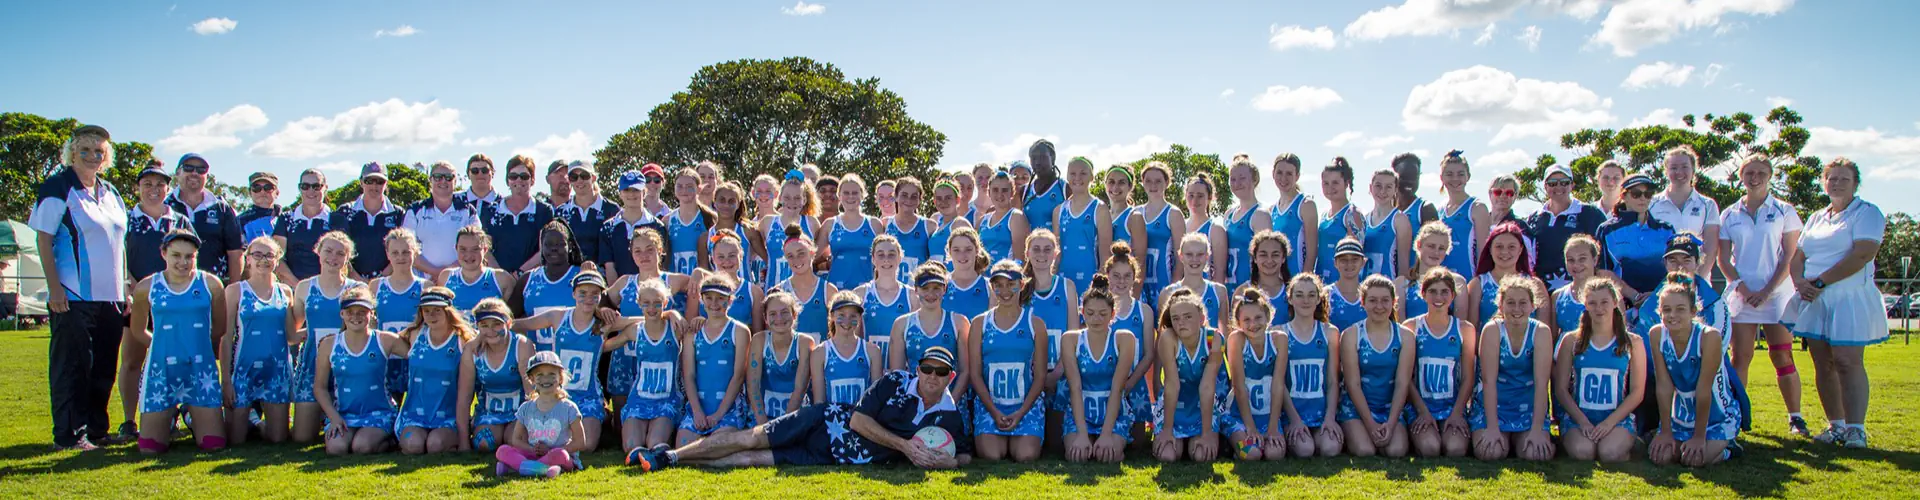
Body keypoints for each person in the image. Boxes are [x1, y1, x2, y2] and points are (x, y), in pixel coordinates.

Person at [629, 346, 970, 470]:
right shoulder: (896, 381)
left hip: (834, 458)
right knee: (749, 440)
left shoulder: (949, 414)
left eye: (940, 372)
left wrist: (949, 460)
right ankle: (670, 456)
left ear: (949, 376)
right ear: (918, 369)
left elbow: (966, 455)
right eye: (926, 368)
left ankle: (678, 460)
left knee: (750, 461)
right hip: (823, 422)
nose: (931, 377)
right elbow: (859, 421)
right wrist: (905, 447)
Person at [33, 125, 131, 451]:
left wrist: (126, 287)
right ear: (71, 152)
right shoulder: (58, 187)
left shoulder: (111, 192)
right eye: (85, 149)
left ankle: (97, 430)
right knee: (73, 367)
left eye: (99, 151)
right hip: (74, 297)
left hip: (111, 297)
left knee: (104, 367)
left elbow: (119, 243)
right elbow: (44, 239)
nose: (92, 156)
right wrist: (54, 289)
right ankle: (69, 435)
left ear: (107, 157)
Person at [1786, 158, 1887, 448]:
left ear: (1856, 183)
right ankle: (1836, 426)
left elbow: (1862, 254)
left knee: (1847, 361)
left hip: (1848, 297)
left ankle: (1856, 429)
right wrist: (1800, 282)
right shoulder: (1818, 217)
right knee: (1823, 363)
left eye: (1844, 178)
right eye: (1832, 178)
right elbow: (1799, 257)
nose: (1837, 183)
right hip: (1815, 299)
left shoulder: (1867, 213)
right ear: (1824, 182)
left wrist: (1821, 282)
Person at [1717, 156, 1808, 436]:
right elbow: (1724, 259)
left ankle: (1795, 417)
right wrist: (1743, 288)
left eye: (1761, 173)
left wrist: (1767, 291)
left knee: (1782, 356)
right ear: (1741, 176)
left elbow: (1790, 256)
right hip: (1743, 296)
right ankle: (1738, 417)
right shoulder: (1729, 214)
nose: (1754, 178)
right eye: (1749, 173)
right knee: (1740, 358)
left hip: (1777, 296)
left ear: (1769, 175)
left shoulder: (1785, 211)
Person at [128, 230, 230, 454]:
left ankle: (190, 412)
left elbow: (219, 328)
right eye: (176, 255)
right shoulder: (147, 287)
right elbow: (138, 330)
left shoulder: (210, 284)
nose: (183, 262)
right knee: (150, 449)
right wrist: (161, 346)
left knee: (213, 444)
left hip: (200, 370)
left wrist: (197, 346)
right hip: (162, 370)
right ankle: (170, 415)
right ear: (164, 253)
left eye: (189, 256)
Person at [117, 162, 193, 441]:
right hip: (137, 298)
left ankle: (169, 416)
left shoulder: (180, 220)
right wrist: (135, 287)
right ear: (138, 188)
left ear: (168, 188)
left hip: (173, 302)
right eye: (147, 184)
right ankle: (128, 420)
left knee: (175, 360)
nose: (153, 190)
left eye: (159, 185)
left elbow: (190, 260)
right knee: (132, 360)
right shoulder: (126, 219)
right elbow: (118, 257)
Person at [509, 270, 623, 451]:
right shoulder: (558, 317)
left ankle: (601, 419)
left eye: (595, 294)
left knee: (587, 446)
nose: (588, 298)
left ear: (601, 296)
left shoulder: (604, 322)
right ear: (573, 294)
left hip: (588, 396)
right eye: (582, 293)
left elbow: (640, 322)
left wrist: (669, 315)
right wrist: (493, 326)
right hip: (557, 394)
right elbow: (521, 324)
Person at [1649, 273, 1745, 467]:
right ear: (1659, 312)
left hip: (1715, 414)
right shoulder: (1657, 334)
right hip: (1682, 415)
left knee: (1694, 460)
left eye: (1680, 309)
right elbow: (1664, 386)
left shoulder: (1709, 337)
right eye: (1666, 310)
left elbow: (1704, 389)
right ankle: (1681, 437)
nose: (1672, 315)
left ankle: (1727, 448)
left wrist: (1699, 436)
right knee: (1662, 457)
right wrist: (1665, 431)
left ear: (1693, 311)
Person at [1551, 279, 1645, 463]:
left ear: (1615, 303)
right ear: (1585, 305)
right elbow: (1561, 389)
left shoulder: (1632, 342)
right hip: (1579, 419)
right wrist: (1582, 421)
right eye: (1592, 303)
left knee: (1609, 453)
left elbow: (1637, 392)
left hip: (1615, 419)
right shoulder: (1571, 340)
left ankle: (1630, 442)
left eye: (1604, 302)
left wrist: (1609, 423)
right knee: (1583, 452)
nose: (1598, 308)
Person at [969, 261, 1050, 462]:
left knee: (1026, 455)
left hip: (1025, 406)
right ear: (992, 286)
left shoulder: (1035, 324)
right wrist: (994, 412)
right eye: (998, 285)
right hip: (991, 405)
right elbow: (975, 374)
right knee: (992, 455)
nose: (1005, 291)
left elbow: (1040, 376)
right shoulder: (980, 323)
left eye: (1011, 284)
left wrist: (1021, 412)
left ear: (1022, 285)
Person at [221, 237, 298, 445]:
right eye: (257, 255)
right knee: (235, 440)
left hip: (277, 370)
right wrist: (226, 381)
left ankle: (256, 422)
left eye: (269, 255)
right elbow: (226, 337)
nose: (264, 260)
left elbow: (291, 336)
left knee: (278, 439)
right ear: (248, 259)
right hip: (244, 369)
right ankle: (249, 419)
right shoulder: (236, 290)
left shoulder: (285, 292)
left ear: (277, 260)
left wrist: (325, 330)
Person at [314, 287, 408, 455]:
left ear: (371, 314)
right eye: (350, 312)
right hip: (344, 413)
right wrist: (334, 417)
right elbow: (319, 387)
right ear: (342, 314)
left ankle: (391, 439)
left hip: (379, 412)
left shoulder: (385, 340)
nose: (355, 317)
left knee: (362, 447)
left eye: (361, 312)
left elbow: (419, 356)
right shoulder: (329, 344)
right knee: (336, 449)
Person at [293, 232, 366, 442]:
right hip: (312, 364)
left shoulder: (356, 289)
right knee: (302, 438)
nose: (333, 257)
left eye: (340, 253)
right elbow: (293, 331)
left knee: (344, 432)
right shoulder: (305, 287)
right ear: (318, 251)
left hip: (347, 366)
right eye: (328, 251)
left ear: (347, 258)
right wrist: (310, 335)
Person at [1472, 276, 1555, 461]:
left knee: (1535, 455)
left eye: (1523, 303)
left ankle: (1527, 436)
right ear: (1500, 305)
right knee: (1490, 453)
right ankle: (1502, 435)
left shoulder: (1541, 331)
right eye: (1510, 303)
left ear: (1533, 306)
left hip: (1528, 405)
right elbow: (1488, 382)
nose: (1516, 309)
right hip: (1495, 405)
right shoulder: (1492, 330)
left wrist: (1536, 430)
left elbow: (1542, 385)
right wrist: (1492, 428)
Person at [1154, 289, 1238, 462]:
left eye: (1188, 317)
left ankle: (1209, 436)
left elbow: (1207, 386)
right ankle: (1177, 439)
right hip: (1174, 403)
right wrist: (1167, 430)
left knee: (1201, 456)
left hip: (1204, 403)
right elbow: (1172, 385)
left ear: (1201, 318)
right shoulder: (1168, 338)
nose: (1181, 323)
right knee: (1167, 456)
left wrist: (1207, 433)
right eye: (1176, 318)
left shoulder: (1213, 338)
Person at [1061, 275, 1138, 463]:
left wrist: (1105, 435)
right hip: (1081, 412)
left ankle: (1108, 439)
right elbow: (1075, 388)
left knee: (1107, 456)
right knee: (1078, 456)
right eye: (1090, 313)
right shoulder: (1070, 339)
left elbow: (1117, 388)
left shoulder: (1124, 338)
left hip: (1113, 412)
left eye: (1103, 314)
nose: (1096, 319)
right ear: (1082, 312)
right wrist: (1081, 433)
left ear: (1113, 314)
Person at [1404, 268, 1477, 458]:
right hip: (1420, 406)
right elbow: (1406, 378)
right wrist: (1422, 411)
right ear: (1423, 294)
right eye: (1433, 291)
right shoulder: (1411, 328)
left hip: (1451, 406)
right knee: (1430, 449)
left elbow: (1469, 378)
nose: (1439, 297)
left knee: (1455, 449)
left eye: (1444, 292)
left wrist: (1457, 413)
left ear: (1453, 296)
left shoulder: (1464, 329)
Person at [1337, 276, 1414, 458]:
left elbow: (1403, 383)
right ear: (1362, 302)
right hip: (1356, 408)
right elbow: (1353, 384)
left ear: (1394, 302)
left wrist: (1391, 422)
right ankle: (1356, 431)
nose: (1379, 306)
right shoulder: (1351, 335)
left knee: (1396, 451)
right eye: (1372, 300)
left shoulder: (1405, 336)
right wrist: (1370, 424)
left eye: (1385, 300)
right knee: (1365, 451)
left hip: (1390, 408)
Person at [612, 279, 687, 454]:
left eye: (657, 303)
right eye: (646, 303)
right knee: (632, 446)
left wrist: (673, 314)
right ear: (639, 303)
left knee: (655, 444)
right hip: (640, 398)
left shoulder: (674, 329)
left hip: (667, 399)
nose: (651, 308)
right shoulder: (635, 330)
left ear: (665, 303)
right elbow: (606, 345)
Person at [679, 274, 754, 446]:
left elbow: (738, 376)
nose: (714, 304)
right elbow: (688, 375)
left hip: (728, 408)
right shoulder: (693, 332)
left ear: (730, 300)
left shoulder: (740, 331)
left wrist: (719, 414)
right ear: (701, 299)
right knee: (683, 444)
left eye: (721, 299)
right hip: (699, 406)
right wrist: (697, 411)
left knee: (718, 445)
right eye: (709, 298)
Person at [394, 287, 471, 454]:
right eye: (426, 310)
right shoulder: (414, 334)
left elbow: (466, 393)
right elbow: (379, 340)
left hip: (448, 417)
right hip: (414, 415)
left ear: (448, 311)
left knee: (435, 445)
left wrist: (464, 442)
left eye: (437, 310)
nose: (431, 315)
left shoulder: (462, 340)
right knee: (413, 445)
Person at [455, 299, 535, 453]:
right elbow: (464, 397)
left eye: (497, 324)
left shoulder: (522, 346)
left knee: (516, 442)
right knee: (484, 443)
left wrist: (532, 427)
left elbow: (531, 394)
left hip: (519, 412)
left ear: (509, 324)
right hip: (489, 413)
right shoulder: (472, 351)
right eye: (484, 325)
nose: (490, 330)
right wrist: (463, 442)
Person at [1279, 273, 1343, 457]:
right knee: (1305, 450)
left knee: (1330, 449)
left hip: (1320, 412)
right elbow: (1279, 383)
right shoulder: (1280, 333)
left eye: (1311, 295)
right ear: (1290, 299)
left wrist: (1330, 418)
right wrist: (1294, 420)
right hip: (1293, 412)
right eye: (1299, 295)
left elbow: (1332, 381)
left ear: (1318, 299)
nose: (1305, 300)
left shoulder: (1329, 332)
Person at [495, 351, 587, 478]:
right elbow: (515, 440)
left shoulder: (569, 408)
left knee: (561, 455)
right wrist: (532, 450)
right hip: (532, 453)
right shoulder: (526, 408)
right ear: (532, 379)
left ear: (560, 378)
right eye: (540, 375)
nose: (546, 379)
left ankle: (520, 467)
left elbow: (580, 442)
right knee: (502, 450)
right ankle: (541, 469)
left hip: (557, 454)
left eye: (551, 374)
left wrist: (549, 451)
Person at [1103, 243, 1159, 445]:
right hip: (1103, 384)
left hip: (1133, 385)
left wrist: (1128, 384)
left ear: (1134, 278)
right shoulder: (1099, 309)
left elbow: (1149, 354)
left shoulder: (1144, 311)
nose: (1121, 281)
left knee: (1138, 445)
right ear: (1107, 275)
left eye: (1127, 276)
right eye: (1116, 275)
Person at [1597, 174, 1679, 308]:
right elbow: (1603, 271)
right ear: (1623, 196)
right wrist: (1634, 296)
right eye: (1636, 194)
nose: (1643, 198)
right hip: (1623, 305)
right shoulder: (1607, 230)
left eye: (1648, 194)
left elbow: (1676, 268)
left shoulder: (1666, 229)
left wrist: (1656, 294)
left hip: (1663, 304)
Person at [1225, 289, 1285, 461]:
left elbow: (1278, 384)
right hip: (1239, 415)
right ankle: (1231, 442)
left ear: (1268, 317)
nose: (1253, 324)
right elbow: (1239, 386)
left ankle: (1266, 433)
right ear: (1238, 323)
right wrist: (1250, 428)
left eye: (1258, 318)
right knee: (1250, 454)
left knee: (1275, 454)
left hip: (1267, 414)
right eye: (1246, 320)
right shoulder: (1237, 339)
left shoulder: (1278, 339)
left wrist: (1273, 426)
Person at [891, 264, 974, 388]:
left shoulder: (959, 322)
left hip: (951, 401)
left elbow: (965, 371)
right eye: (925, 288)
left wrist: (950, 403)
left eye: (936, 288)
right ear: (916, 289)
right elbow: (898, 374)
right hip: (914, 402)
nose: (931, 293)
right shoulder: (902, 324)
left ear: (944, 289)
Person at [1527, 164, 1609, 289]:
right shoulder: (1535, 217)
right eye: (1553, 183)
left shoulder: (1590, 213)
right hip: (1540, 291)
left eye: (1564, 182)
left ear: (1572, 185)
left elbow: (1603, 255)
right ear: (1545, 186)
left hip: (1582, 291)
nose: (1559, 187)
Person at [165, 153, 244, 281]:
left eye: (201, 170)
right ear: (177, 173)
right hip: (172, 288)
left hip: (215, 289)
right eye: (188, 168)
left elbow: (235, 253)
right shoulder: (165, 206)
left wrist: (233, 290)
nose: (195, 173)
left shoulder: (222, 208)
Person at [1648, 147, 1722, 278]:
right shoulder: (1651, 204)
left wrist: (1696, 281)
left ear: (1693, 170)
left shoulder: (1708, 204)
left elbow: (1710, 249)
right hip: (1661, 283)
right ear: (1666, 171)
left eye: (1684, 167)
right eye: (1674, 168)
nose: (1679, 172)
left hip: (1697, 282)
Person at [511, 221, 585, 351]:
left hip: (573, 359)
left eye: (560, 244)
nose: (554, 248)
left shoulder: (582, 276)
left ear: (570, 246)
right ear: (541, 247)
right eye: (548, 244)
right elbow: (509, 318)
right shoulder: (528, 280)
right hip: (537, 362)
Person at [330, 163, 405, 280]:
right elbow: (338, 248)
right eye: (369, 181)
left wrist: (380, 280)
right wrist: (357, 280)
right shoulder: (345, 212)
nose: (374, 186)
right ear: (361, 182)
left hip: (388, 282)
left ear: (386, 184)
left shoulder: (398, 214)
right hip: (350, 282)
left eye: (380, 181)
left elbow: (403, 249)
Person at [403, 162, 480, 277]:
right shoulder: (415, 210)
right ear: (430, 180)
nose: (443, 181)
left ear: (455, 181)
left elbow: (477, 247)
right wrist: (434, 272)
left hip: (460, 278)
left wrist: (446, 274)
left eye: (448, 178)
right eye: (438, 177)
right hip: (423, 281)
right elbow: (406, 248)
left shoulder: (468, 211)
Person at [480, 156, 555, 272]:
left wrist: (519, 275)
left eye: (524, 177)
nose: (518, 180)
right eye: (513, 176)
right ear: (507, 180)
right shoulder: (490, 210)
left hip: (532, 278)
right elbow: (486, 250)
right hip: (497, 279)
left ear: (533, 180)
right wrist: (502, 276)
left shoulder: (544, 211)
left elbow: (544, 250)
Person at [1464, 222, 1546, 328]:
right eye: (1499, 246)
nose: (1504, 252)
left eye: (1511, 247)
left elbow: (1545, 330)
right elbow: (1472, 329)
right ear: (1490, 249)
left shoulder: (1536, 285)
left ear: (1520, 250)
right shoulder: (1477, 285)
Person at [750, 290, 814, 424]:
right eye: (772, 314)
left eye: (785, 312)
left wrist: (782, 426)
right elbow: (753, 385)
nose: (779, 318)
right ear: (766, 319)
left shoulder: (805, 342)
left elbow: (800, 388)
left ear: (794, 314)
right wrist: (763, 423)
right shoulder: (759, 340)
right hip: (763, 417)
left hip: (794, 418)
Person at [1545, 235, 1630, 336]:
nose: (1576, 265)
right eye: (1571, 260)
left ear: (1594, 260)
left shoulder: (1611, 294)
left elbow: (1621, 334)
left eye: (1582, 259)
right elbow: (1553, 337)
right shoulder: (1557, 297)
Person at [1054, 158, 1112, 292]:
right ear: (1067, 176)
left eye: (1083, 173)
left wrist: (1100, 286)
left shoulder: (1099, 208)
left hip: (1089, 280)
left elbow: (1105, 255)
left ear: (1092, 177)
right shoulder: (1059, 210)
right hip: (1063, 279)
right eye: (1073, 174)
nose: (1077, 178)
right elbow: (1056, 253)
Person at [813, 291, 881, 406]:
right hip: (831, 422)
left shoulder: (872, 351)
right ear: (832, 316)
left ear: (860, 318)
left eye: (853, 316)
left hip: (861, 421)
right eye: (841, 315)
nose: (847, 321)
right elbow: (819, 402)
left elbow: (876, 399)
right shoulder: (819, 352)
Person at [599, 170, 666, 281]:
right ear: (620, 193)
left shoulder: (657, 226)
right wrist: (616, 296)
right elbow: (610, 268)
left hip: (651, 290)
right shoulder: (608, 228)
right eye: (627, 190)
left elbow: (660, 265)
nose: (631, 194)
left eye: (636, 190)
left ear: (644, 192)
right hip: (621, 292)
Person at [1433, 151, 1490, 283]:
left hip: (1469, 279)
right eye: (1449, 174)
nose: (1455, 179)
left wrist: (1478, 283)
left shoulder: (1477, 207)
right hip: (1444, 282)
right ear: (1441, 177)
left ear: (1468, 176)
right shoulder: (1440, 210)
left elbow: (1483, 251)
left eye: (1460, 174)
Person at [439, 225, 518, 318]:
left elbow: (512, 319)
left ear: (485, 250)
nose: (468, 255)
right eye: (463, 249)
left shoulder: (501, 279)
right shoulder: (446, 277)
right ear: (456, 248)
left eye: (475, 249)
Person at [854, 237, 910, 367]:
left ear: (900, 258)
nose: (886, 259)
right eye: (881, 255)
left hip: (900, 369)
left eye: (891, 254)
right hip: (868, 367)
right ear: (873, 259)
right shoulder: (860, 293)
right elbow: (854, 339)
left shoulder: (911, 295)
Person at [273, 169, 335, 283]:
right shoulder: (286, 219)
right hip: (292, 289)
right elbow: (277, 258)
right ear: (299, 188)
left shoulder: (337, 219)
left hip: (328, 288)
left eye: (316, 186)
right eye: (305, 186)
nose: (311, 191)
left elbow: (342, 259)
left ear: (325, 187)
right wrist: (299, 288)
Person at [773, 225, 834, 338]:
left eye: (801, 253)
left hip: (820, 354)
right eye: (790, 256)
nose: (796, 260)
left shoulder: (828, 290)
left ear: (812, 253)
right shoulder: (779, 292)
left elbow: (836, 333)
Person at [759, 171, 820, 285]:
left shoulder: (812, 223)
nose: (792, 202)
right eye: (787, 197)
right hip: (774, 290)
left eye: (797, 198)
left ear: (804, 200)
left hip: (804, 291)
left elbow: (818, 255)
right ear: (780, 198)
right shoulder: (768, 222)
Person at [821, 174, 880, 291]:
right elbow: (812, 255)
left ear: (862, 195)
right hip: (837, 290)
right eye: (846, 193)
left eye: (855, 193)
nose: (850, 197)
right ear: (839, 196)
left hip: (867, 290)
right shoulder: (830, 224)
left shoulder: (874, 224)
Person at [558, 162, 619, 273]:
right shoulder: (561, 212)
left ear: (594, 177)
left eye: (584, 176)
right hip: (569, 275)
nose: (579, 181)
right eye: (574, 177)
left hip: (603, 275)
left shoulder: (611, 209)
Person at [1222, 156, 1272, 289]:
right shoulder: (1228, 214)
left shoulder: (1260, 214)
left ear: (1254, 180)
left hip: (1250, 287)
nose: (1237, 183)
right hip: (1230, 286)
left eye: (1242, 178)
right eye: (1233, 179)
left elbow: (1266, 257)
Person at [1161, 232, 1228, 332]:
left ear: (1207, 256)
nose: (1194, 259)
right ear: (1181, 256)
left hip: (1210, 346)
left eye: (1200, 254)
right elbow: (1163, 335)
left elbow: (1224, 333)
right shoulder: (1167, 293)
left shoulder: (1219, 291)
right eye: (1189, 254)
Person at [1139, 163, 1184, 306]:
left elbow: (1180, 256)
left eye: (1158, 181)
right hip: (1141, 281)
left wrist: (1174, 288)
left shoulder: (1173, 213)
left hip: (1163, 280)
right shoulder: (1136, 212)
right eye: (1148, 181)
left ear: (1166, 183)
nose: (1153, 185)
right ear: (1142, 183)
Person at [1399, 222, 1466, 320]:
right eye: (1431, 246)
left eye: (1441, 248)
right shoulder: (1401, 284)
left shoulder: (1457, 282)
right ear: (1419, 245)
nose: (1436, 252)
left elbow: (1461, 327)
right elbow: (1400, 329)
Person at [1316, 158, 1366, 282]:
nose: (1330, 187)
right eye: (1325, 183)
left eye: (1335, 183)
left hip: (1342, 284)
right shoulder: (1323, 215)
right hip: (1321, 281)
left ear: (1346, 183)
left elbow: (1357, 255)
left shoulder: (1352, 214)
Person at [1269, 154, 1319, 277]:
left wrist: (1304, 281)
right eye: (1279, 172)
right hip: (1277, 282)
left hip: (1297, 281)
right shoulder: (1271, 210)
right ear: (1273, 174)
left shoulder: (1306, 205)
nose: (1283, 178)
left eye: (1289, 174)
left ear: (1297, 176)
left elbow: (1312, 251)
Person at [708, 182, 766, 286]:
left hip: (746, 292)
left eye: (731, 201)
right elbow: (705, 269)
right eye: (722, 200)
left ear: (738, 204)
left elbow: (768, 260)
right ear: (714, 201)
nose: (726, 205)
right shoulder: (706, 236)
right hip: (718, 293)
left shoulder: (748, 231)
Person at [1361, 169, 1414, 279]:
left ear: (1395, 189)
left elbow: (1403, 267)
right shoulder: (1364, 220)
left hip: (1388, 288)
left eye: (1388, 187)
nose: (1382, 191)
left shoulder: (1399, 220)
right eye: (1378, 186)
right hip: (1365, 288)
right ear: (1370, 188)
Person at [664, 167, 715, 276]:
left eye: (689, 187)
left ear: (699, 189)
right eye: (680, 186)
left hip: (702, 284)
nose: (684, 191)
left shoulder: (710, 218)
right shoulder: (668, 220)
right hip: (676, 285)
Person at [1240, 231, 1296, 325]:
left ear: (1283, 258)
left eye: (1275, 255)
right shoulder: (1242, 292)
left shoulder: (1295, 291)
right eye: (1263, 255)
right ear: (1255, 258)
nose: (1269, 260)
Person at [942, 227, 994, 321]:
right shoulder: (941, 285)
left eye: (968, 249)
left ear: (977, 250)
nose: (962, 255)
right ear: (949, 252)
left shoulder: (989, 287)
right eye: (956, 250)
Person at [978, 171, 1029, 264]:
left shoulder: (1016, 217)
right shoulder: (983, 220)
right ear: (989, 192)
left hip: (1005, 276)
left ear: (1012, 193)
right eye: (995, 190)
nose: (1000, 194)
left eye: (1005, 190)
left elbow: (1020, 260)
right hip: (984, 277)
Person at [1182, 176, 1224, 281]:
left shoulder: (1215, 229)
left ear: (1209, 197)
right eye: (1191, 195)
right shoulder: (1180, 225)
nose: (1194, 201)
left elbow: (1220, 272)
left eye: (1200, 196)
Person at [1325, 239, 1370, 331]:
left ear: (1363, 262)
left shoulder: (1370, 295)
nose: (1349, 264)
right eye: (1343, 260)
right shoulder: (1325, 295)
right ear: (1335, 263)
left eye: (1355, 259)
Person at [927, 177, 974, 267]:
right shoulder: (937, 224)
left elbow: (973, 256)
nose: (943, 202)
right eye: (939, 198)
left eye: (948, 198)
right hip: (937, 278)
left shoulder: (960, 224)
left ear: (957, 200)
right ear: (934, 201)